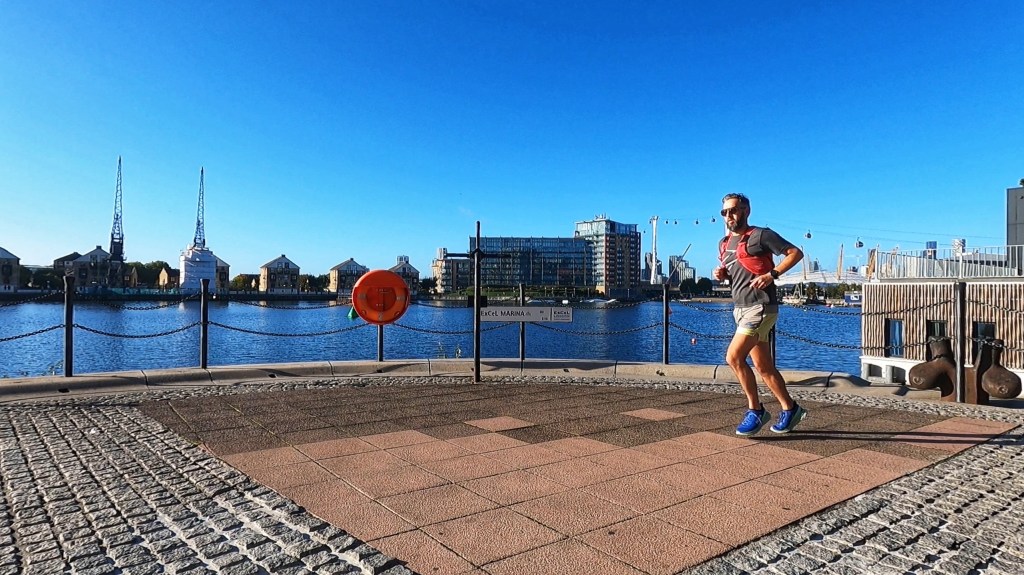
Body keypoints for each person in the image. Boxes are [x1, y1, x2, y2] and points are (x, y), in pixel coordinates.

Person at [713, 193, 807, 435]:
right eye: (724, 212)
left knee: (733, 358)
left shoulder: (761, 235)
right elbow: (737, 274)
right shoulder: (723, 243)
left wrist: (771, 275)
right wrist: (723, 276)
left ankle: (755, 410)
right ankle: (791, 408)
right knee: (763, 366)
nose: (729, 216)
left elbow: (795, 253)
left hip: (761, 306)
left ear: (746, 210)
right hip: (740, 308)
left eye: (733, 210)